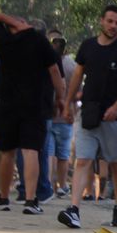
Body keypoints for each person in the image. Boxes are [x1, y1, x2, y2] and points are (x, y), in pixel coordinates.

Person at [59, 5, 117, 229]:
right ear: (101, 21)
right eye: (110, 21)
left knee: (115, 163)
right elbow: (77, 75)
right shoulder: (87, 46)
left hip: (114, 118)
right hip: (89, 114)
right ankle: (74, 210)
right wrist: (67, 102)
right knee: (82, 160)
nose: (113, 26)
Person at [0, 12, 63, 216]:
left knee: (7, 152)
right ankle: (31, 200)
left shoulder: (4, 41)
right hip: (35, 104)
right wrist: (61, 98)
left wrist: (8, 21)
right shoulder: (38, 40)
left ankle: (3, 197)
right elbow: (55, 71)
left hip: (7, 103)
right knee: (31, 151)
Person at [48, 30, 76, 198]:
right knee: (63, 154)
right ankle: (62, 185)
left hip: (49, 113)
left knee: (49, 153)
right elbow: (78, 91)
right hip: (66, 114)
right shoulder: (72, 66)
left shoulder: (44, 60)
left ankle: (49, 183)